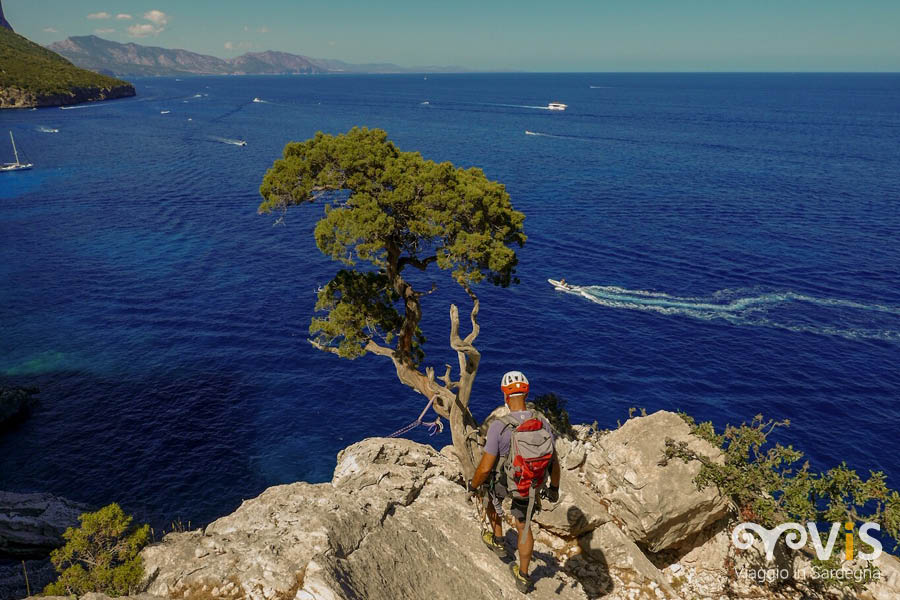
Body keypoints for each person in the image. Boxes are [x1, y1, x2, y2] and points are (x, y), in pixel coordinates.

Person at [469, 370, 561, 593]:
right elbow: (554, 463)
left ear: (505, 396)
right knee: (524, 526)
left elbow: (485, 467)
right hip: (529, 485)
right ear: (527, 393)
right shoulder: (542, 423)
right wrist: (554, 488)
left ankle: (498, 540)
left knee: (489, 496)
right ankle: (523, 576)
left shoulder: (499, 426)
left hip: (504, 481)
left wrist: (473, 486)